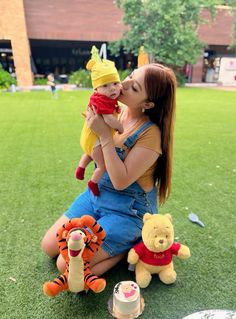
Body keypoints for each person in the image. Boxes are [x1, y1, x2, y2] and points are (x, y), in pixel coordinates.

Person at [41, 63, 177, 277]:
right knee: (49, 246)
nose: (124, 84)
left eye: (134, 87)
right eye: (130, 75)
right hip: (98, 196)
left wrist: (104, 135)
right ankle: (108, 240)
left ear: (148, 104)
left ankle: (124, 248)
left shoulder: (151, 134)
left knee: (65, 264)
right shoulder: (117, 111)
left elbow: (120, 181)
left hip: (127, 211)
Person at [75, 58, 123, 196]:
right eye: (105, 85)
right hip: (95, 141)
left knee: (90, 154)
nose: (112, 88)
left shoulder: (98, 97)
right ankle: (93, 183)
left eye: (115, 83)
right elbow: (109, 119)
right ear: (96, 88)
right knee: (102, 165)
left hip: (88, 139)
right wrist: (120, 127)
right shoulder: (103, 102)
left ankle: (81, 168)